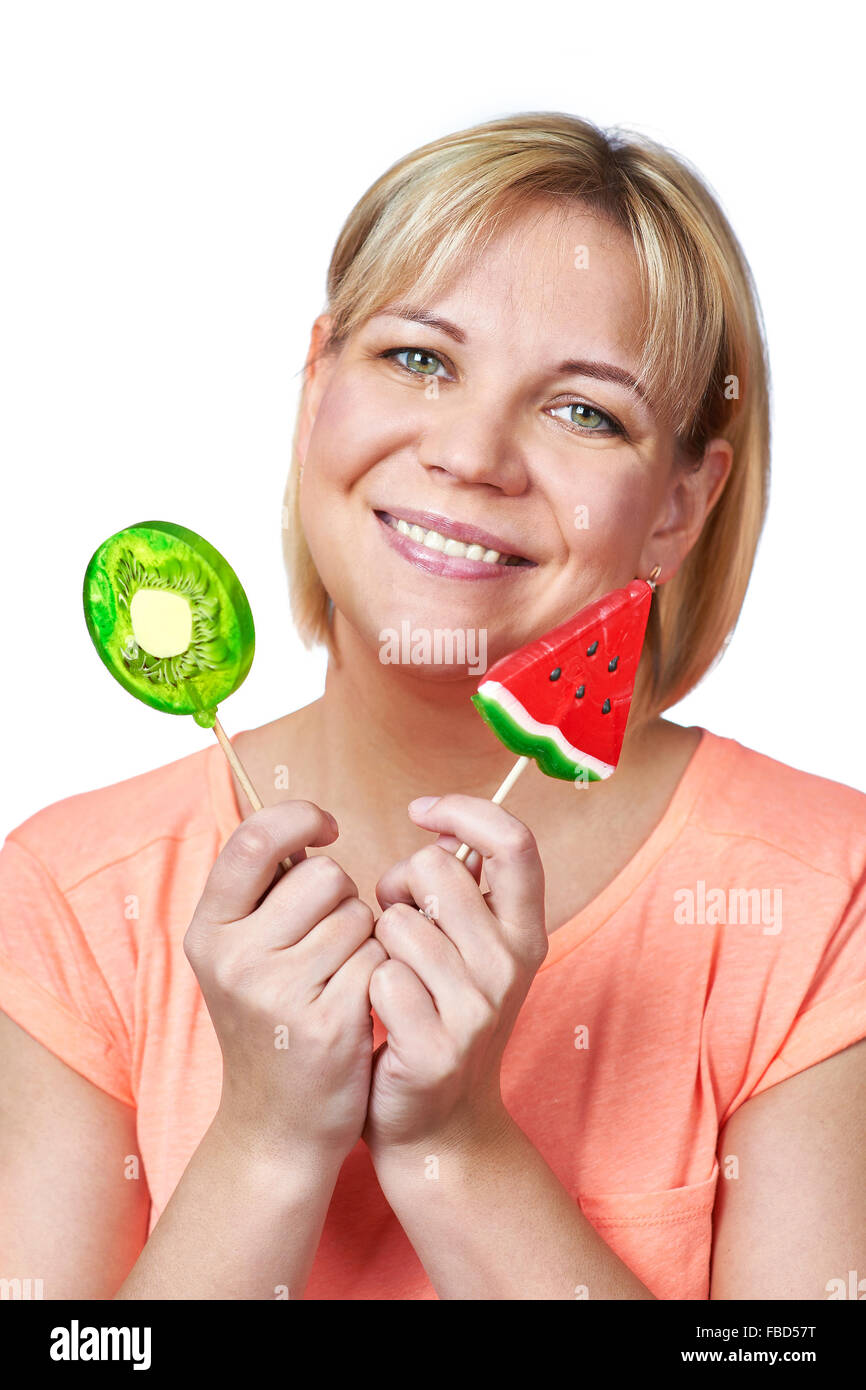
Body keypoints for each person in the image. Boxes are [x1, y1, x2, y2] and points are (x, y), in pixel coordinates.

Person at [1, 112, 864, 1301]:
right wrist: (264, 1141)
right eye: (418, 359)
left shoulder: (822, 896)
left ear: (675, 505)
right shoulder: (70, 891)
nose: (470, 454)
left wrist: (459, 1147)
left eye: (582, 411)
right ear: (317, 386)